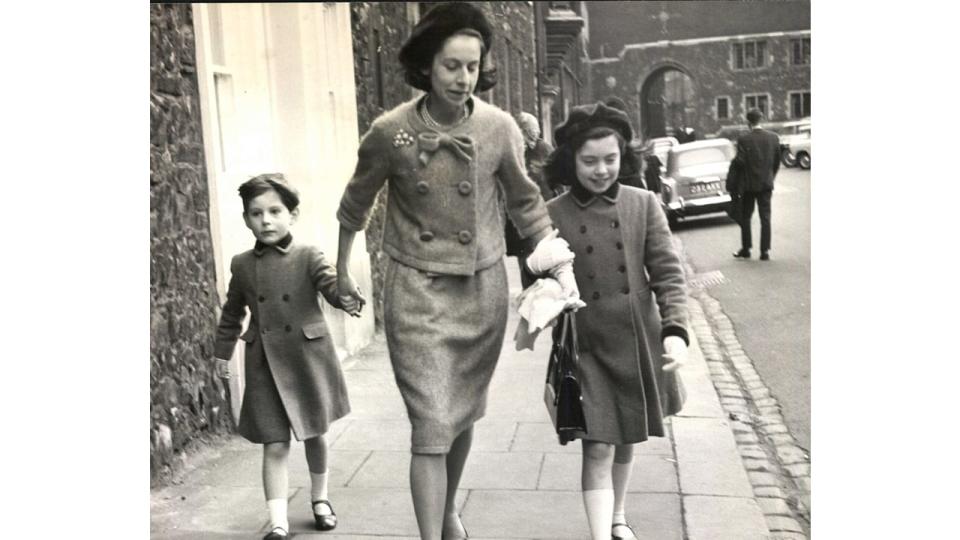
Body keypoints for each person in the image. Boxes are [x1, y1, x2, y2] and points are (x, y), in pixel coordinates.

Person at [333, 4, 574, 538]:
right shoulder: (390, 131)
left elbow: (527, 205)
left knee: (462, 414)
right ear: (426, 65)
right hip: (416, 293)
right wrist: (343, 267)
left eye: (471, 66)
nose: (462, 79)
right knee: (431, 422)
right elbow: (355, 202)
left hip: (480, 289)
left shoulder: (498, 127)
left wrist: (559, 269)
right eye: (450, 66)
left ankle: (445, 514)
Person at [539, 102, 690, 540]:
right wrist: (541, 275)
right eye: (590, 161)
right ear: (571, 160)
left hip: (636, 337)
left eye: (611, 159)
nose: (602, 170)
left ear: (624, 156)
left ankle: (618, 515)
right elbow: (536, 278)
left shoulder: (643, 204)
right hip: (584, 343)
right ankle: (600, 534)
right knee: (599, 443)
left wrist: (676, 333)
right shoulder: (554, 212)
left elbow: (668, 274)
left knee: (626, 438)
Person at [213, 174, 360, 540]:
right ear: (246, 219)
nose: (266, 220)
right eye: (256, 213)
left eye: (275, 211)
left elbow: (330, 285)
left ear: (292, 215)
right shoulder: (243, 264)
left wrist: (346, 293)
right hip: (265, 364)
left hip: (307, 358)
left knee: (314, 434)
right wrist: (222, 353)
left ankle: (320, 499)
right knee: (274, 442)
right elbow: (233, 313)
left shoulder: (308, 255)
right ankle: (278, 521)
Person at [505, 112, 556, 287]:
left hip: (544, 215)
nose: (534, 135)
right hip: (520, 223)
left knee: (546, 263)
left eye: (535, 130)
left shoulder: (545, 150)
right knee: (526, 266)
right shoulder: (511, 151)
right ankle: (531, 298)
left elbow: (557, 182)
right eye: (529, 131)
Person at [732, 108, 780, 261]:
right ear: (762, 119)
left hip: (749, 185)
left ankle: (746, 249)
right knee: (765, 217)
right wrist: (770, 176)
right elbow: (777, 161)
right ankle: (764, 251)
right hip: (766, 183)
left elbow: (740, 162)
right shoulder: (773, 138)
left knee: (746, 217)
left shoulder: (744, 139)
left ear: (748, 122)